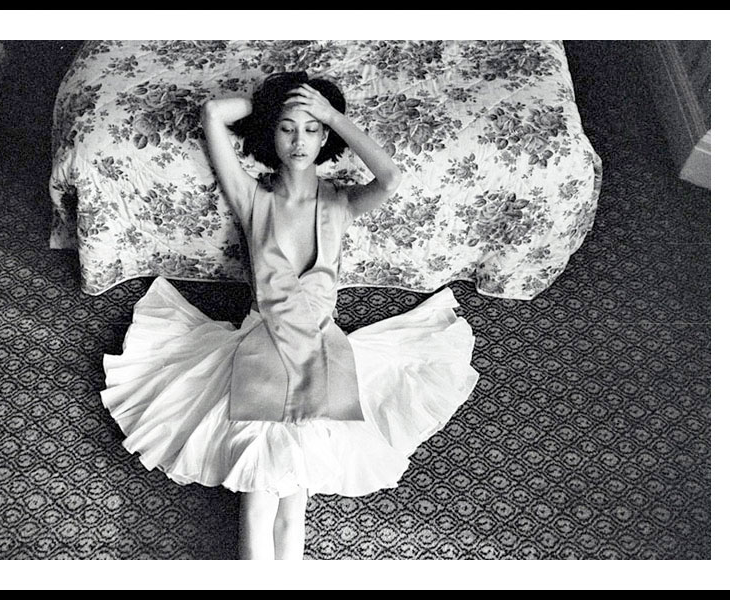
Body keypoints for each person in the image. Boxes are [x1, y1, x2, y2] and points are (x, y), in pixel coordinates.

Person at [100, 71, 479, 560]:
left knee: (293, 503)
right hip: (261, 347)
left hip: (322, 350)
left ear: (326, 137)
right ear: (270, 134)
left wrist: (331, 114)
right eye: (286, 129)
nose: (299, 141)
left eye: (311, 130)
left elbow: (390, 178)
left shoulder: (341, 203)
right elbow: (214, 113)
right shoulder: (252, 198)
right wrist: (275, 103)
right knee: (259, 501)